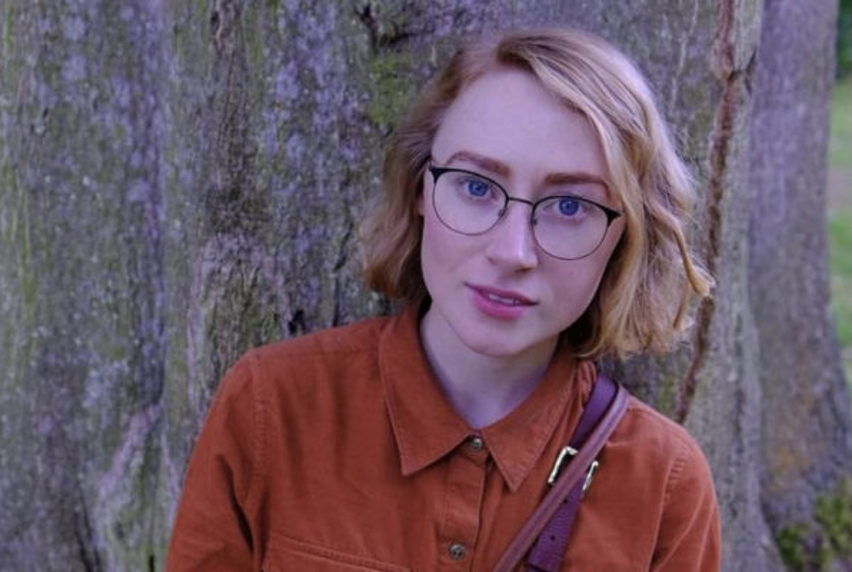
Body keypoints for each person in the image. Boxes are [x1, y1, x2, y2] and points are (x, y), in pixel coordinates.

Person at [167, 27, 721, 571]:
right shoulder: (272, 408)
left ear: (625, 237)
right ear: (419, 191)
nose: (513, 252)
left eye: (569, 207)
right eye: (477, 187)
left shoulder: (665, 485)